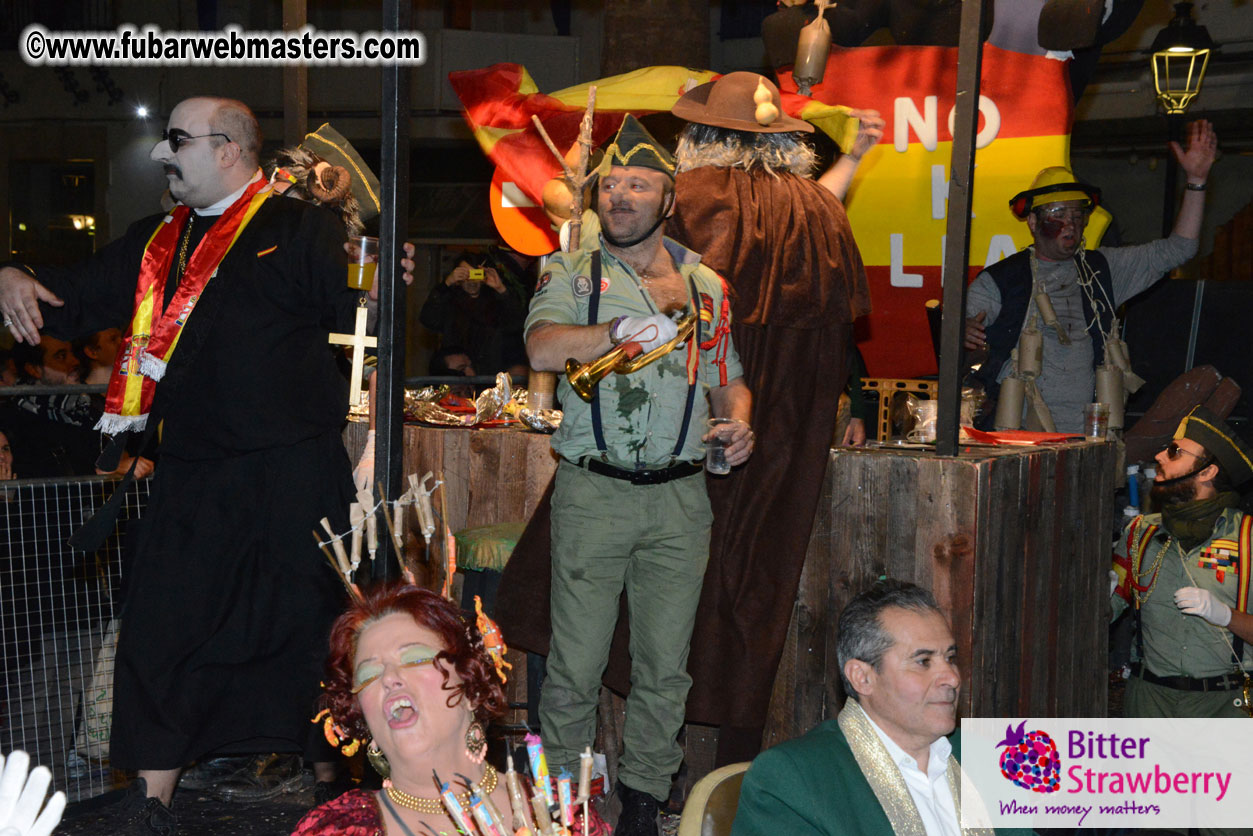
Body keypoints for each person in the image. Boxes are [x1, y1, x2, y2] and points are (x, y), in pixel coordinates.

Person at [0, 96, 376, 834]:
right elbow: (68, 299)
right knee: (163, 632)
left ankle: (339, 803)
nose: (166, 156)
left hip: (293, 478)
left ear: (230, 148)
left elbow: (362, 306)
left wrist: (382, 275)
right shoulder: (154, 243)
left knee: (319, 637)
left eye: (178, 140)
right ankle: (149, 807)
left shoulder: (302, 229)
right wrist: (14, 274)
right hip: (194, 479)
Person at [527, 114, 752, 836]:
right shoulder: (570, 270)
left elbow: (728, 377)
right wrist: (616, 331)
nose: (620, 196)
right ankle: (563, 799)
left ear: (666, 198)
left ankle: (645, 801)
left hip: (682, 498)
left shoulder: (705, 283)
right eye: (611, 184)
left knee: (666, 666)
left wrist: (738, 421)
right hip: (594, 492)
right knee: (576, 662)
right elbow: (541, 344)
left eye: (638, 184)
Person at [964, 120, 1218, 433]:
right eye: (1058, 214)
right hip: (1016, 437)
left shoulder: (1103, 270)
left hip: (1087, 437)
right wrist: (964, 332)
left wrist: (1196, 180)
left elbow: (1181, 247)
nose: (1070, 223)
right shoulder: (1001, 280)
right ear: (1032, 221)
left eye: (1077, 214)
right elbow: (956, 335)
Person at [732, 580, 1021, 836]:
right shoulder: (793, 778)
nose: (952, 678)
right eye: (924, 662)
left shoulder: (982, 756)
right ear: (863, 677)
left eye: (951, 658)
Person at [290, 584, 513, 835]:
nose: (388, 678)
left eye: (415, 659)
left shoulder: (557, 808)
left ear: (472, 688)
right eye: (369, 675)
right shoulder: (334, 829)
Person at [1112, 405, 1253, 722]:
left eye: (1175, 452)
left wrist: (1226, 615)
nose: (1161, 455)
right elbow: (1107, 611)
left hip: (1224, 708)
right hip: (1149, 703)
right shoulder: (1140, 533)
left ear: (1207, 472)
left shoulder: (1248, 540)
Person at [418, 248, 529, 377]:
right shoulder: (450, 304)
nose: (471, 281)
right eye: (465, 275)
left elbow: (518, 324)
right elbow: (428, 319)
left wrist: (501, 289)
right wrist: (446, 284)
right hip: (458, 379)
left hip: (490, 378)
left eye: (475, 275)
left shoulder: (496, 304)